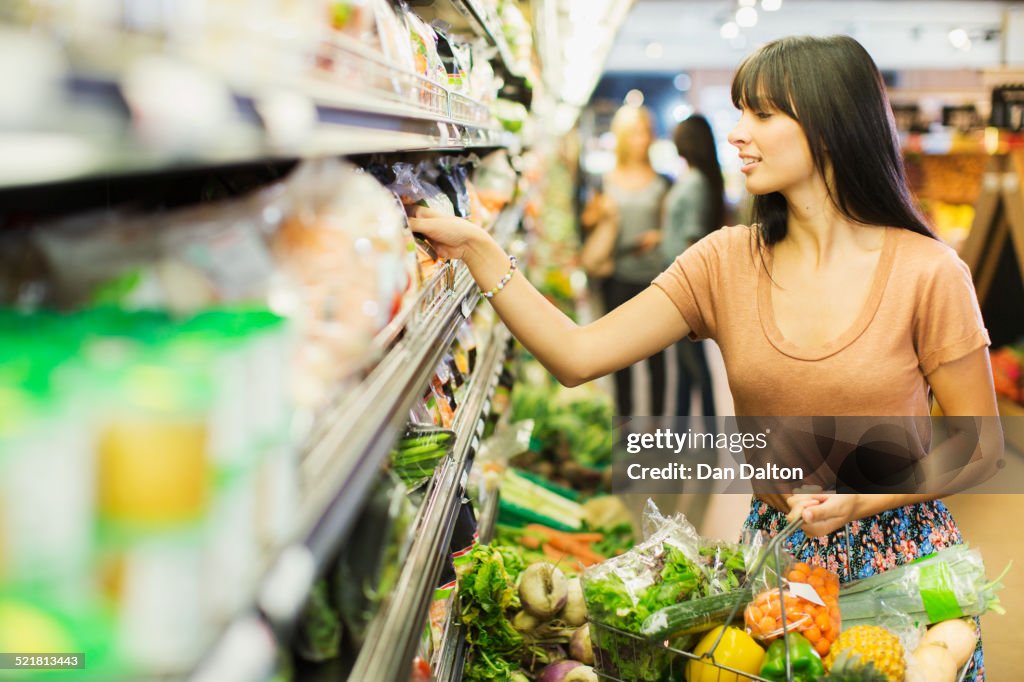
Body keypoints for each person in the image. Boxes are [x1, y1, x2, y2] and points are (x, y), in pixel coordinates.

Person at [410, 35, 1000, 678]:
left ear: (832, 126)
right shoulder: (724, 262)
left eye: (763, 114)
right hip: (776, 571)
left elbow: (979, 444)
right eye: (738, 112)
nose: (738, 134)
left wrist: (863, 498)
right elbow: (576, 356)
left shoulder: (929, 272)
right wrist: (477, 248)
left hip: (908, 577)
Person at [582, 105, 671, 417]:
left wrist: (659, 237)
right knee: (619, 357)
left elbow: (671, 227)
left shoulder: (663, 183)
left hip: (656, 280)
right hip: (616, 276)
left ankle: (657, 427)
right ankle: (625, 420)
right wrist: (601, 213)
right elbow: (588, 220)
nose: (641, 139)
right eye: (634, 132)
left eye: (646, 132)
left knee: (657, 358)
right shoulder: (605, 180)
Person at [662, 115, 724, 431]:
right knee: (685, 365)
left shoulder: (696, 182)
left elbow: (692, 235)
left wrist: (686, 287)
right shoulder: (694, 179)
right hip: (682, 284)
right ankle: (679, 429)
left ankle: (711, 432)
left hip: (686, 288)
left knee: (694, 364)